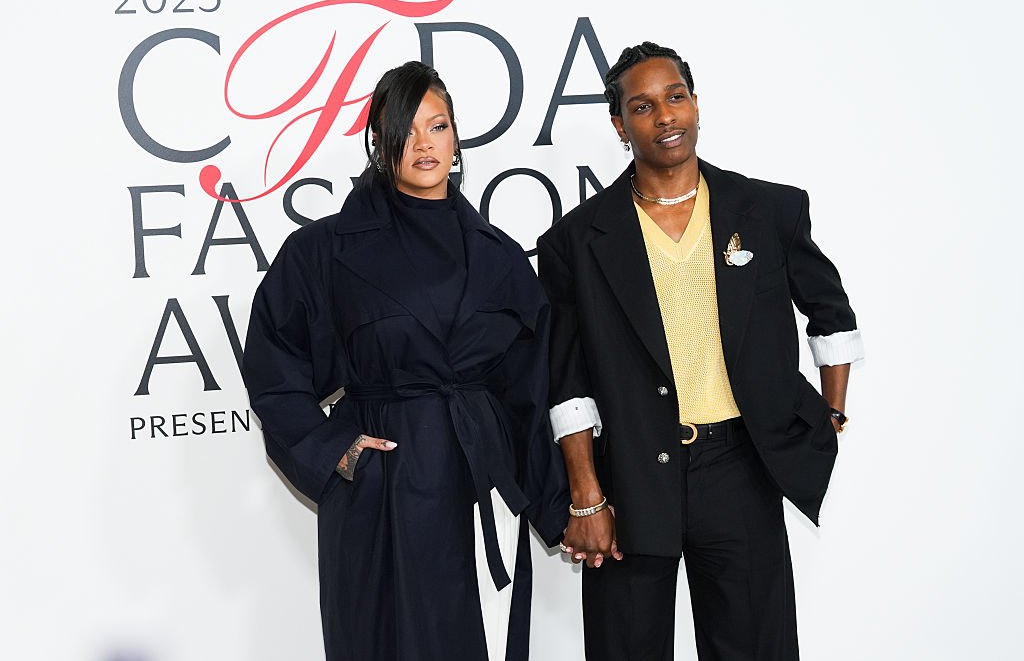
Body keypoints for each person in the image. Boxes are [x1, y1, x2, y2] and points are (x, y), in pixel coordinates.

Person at [537, 42, 863, 661]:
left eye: (675, 97)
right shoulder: (576, 241)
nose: (664, 116)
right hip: (629, 477)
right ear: (619, 124)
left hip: (740, 469)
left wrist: (833, 413)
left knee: (755, 647)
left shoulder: (768, 210)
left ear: (695, 104)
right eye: (643, 106)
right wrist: (587, 494)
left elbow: (831, 313)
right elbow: (567, 382)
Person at [242, 61, 569, 661]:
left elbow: (532, 390)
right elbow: (273, 360)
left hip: (480, 486)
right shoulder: (326, 249)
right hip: (384, 492)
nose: (425, 143)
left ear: (456, 138)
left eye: (438, 125)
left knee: (484, 641)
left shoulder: (499, 257)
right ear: (379, 142)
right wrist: (330, 449)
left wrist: (563, 507)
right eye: (406, 129)